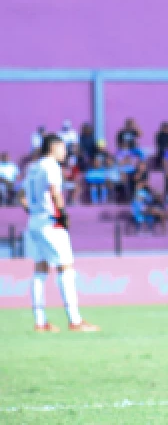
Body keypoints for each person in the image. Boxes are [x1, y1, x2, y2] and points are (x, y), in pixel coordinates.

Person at [20, 134, 99, 333]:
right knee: (66, 267)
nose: (65, 152)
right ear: (53, 147)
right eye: (63, 148)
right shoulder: (51, 166)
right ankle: (75, 320)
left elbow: (22, 195)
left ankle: (40, 322)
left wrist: (33, 212)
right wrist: (62, 214)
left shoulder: (33, 167)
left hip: (35, 222)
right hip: (51, 223)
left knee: (40, 269)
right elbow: (55, 191)